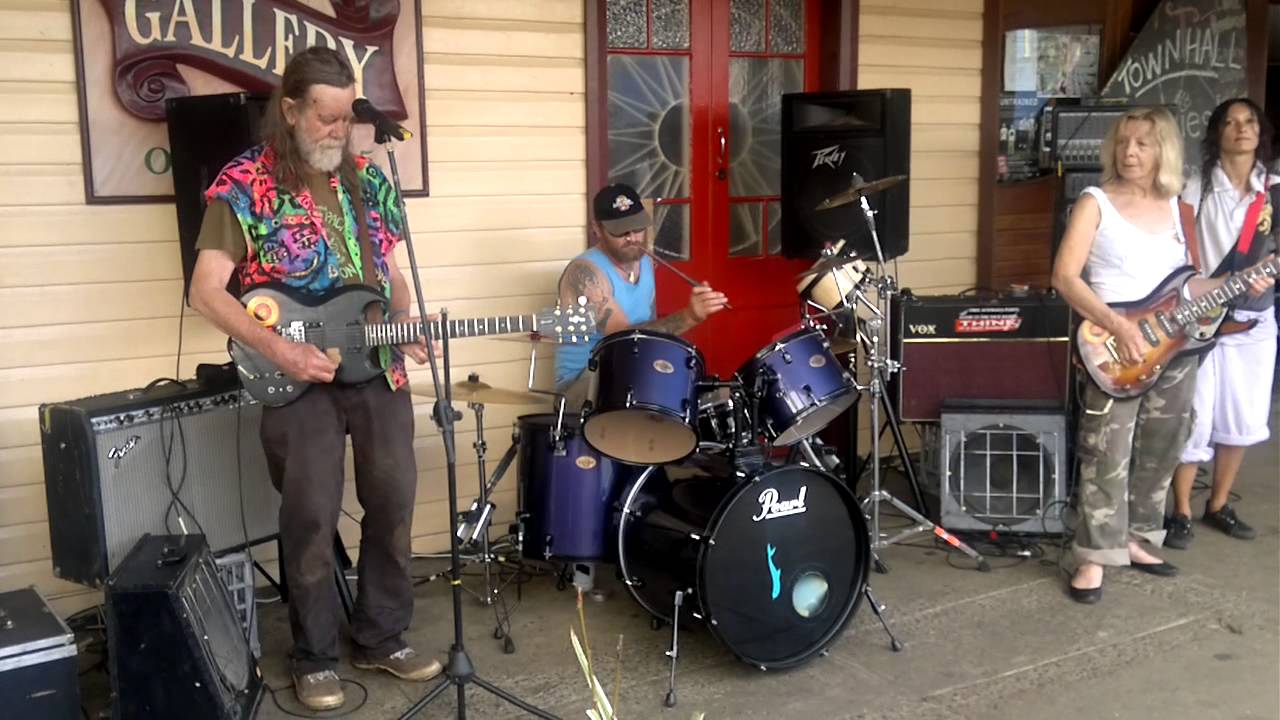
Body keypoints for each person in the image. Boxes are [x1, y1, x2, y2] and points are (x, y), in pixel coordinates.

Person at [188, 47, 440, 711]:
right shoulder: (244, 183)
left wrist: (406, 322)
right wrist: (280, 349)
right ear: (292, 109)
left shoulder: (372, 182)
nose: (338, 129)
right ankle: (315, 654)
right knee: (309, 517)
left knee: (392, 506)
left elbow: (391, 277)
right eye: (325, 117)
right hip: (296, 376)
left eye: (347, 117)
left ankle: (382, 636)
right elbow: (206, 292)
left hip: (375, 369)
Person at [1050, 106, 1269, 605]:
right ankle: (1092, 557)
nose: (1130, 152)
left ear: (1162, 150)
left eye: (1142, 144)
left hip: (1175, 347)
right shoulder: (1095, 202)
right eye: (1124, 142)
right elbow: (1065, 277)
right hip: (1114, 345)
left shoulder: (1178, 208)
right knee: (1106, 451)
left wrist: (1241, 281)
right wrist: (1117, 325)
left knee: (1162, 447)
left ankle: (1137, 537)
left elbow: (1190, 284)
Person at [1166, 98, 1278, 549]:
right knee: (1194, 414)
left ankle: (1218, 504)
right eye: (1230, 123)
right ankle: (1181, 511)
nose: (1241, 129)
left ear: (1260, 131)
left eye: (1249, 121)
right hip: (1202, 315)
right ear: (1217, 134)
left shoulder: (1275, 188)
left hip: (1254, 318)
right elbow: (1180, 248)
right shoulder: (1196, 188)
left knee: (1243, 414)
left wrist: (1269, 273)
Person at [554, 183, 729, 407]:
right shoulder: (584, 272)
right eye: (621, 232)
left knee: (712, 396)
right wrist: (689, 317)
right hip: (581, 384)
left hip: (631, 370)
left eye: (637, 228)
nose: (633, 238)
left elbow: (651, 330)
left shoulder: (644, 262)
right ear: (597, 229)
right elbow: (624, 341)